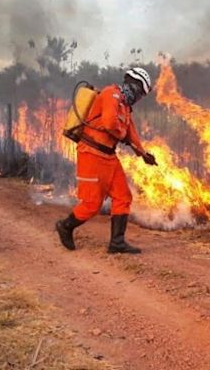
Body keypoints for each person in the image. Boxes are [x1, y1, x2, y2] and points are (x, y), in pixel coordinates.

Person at [56, 67, 157, 254]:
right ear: (132, 83)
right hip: (91, 154)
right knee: (92, 204)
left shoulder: (125, 106)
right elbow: (111, 123)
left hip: (109, 157)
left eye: (142, 95)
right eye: (139, 91)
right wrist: (122, 134)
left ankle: (117, 242)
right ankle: (65, 226)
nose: (139, 97)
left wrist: (143, 154)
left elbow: (130, 132)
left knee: (123, 196)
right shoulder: (112, 95)